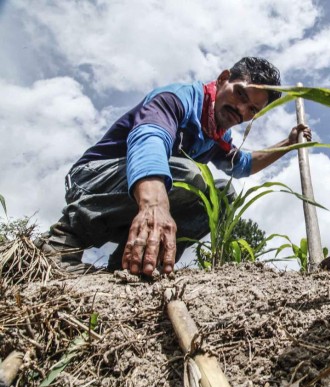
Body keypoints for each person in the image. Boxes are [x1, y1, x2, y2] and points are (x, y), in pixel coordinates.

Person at [39, 57, 311, 276]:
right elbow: (150, 138)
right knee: (190, 177)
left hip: (136, 195)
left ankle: (134, 266)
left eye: (252, 109)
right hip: (92, 180)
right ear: (223, 79)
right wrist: (153, 205)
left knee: (222, 195)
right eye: (239, 94)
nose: (240, 110)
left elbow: (243, 165)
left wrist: (288, 142)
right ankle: (63, 246)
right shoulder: (177, 99)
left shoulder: (217, 135)